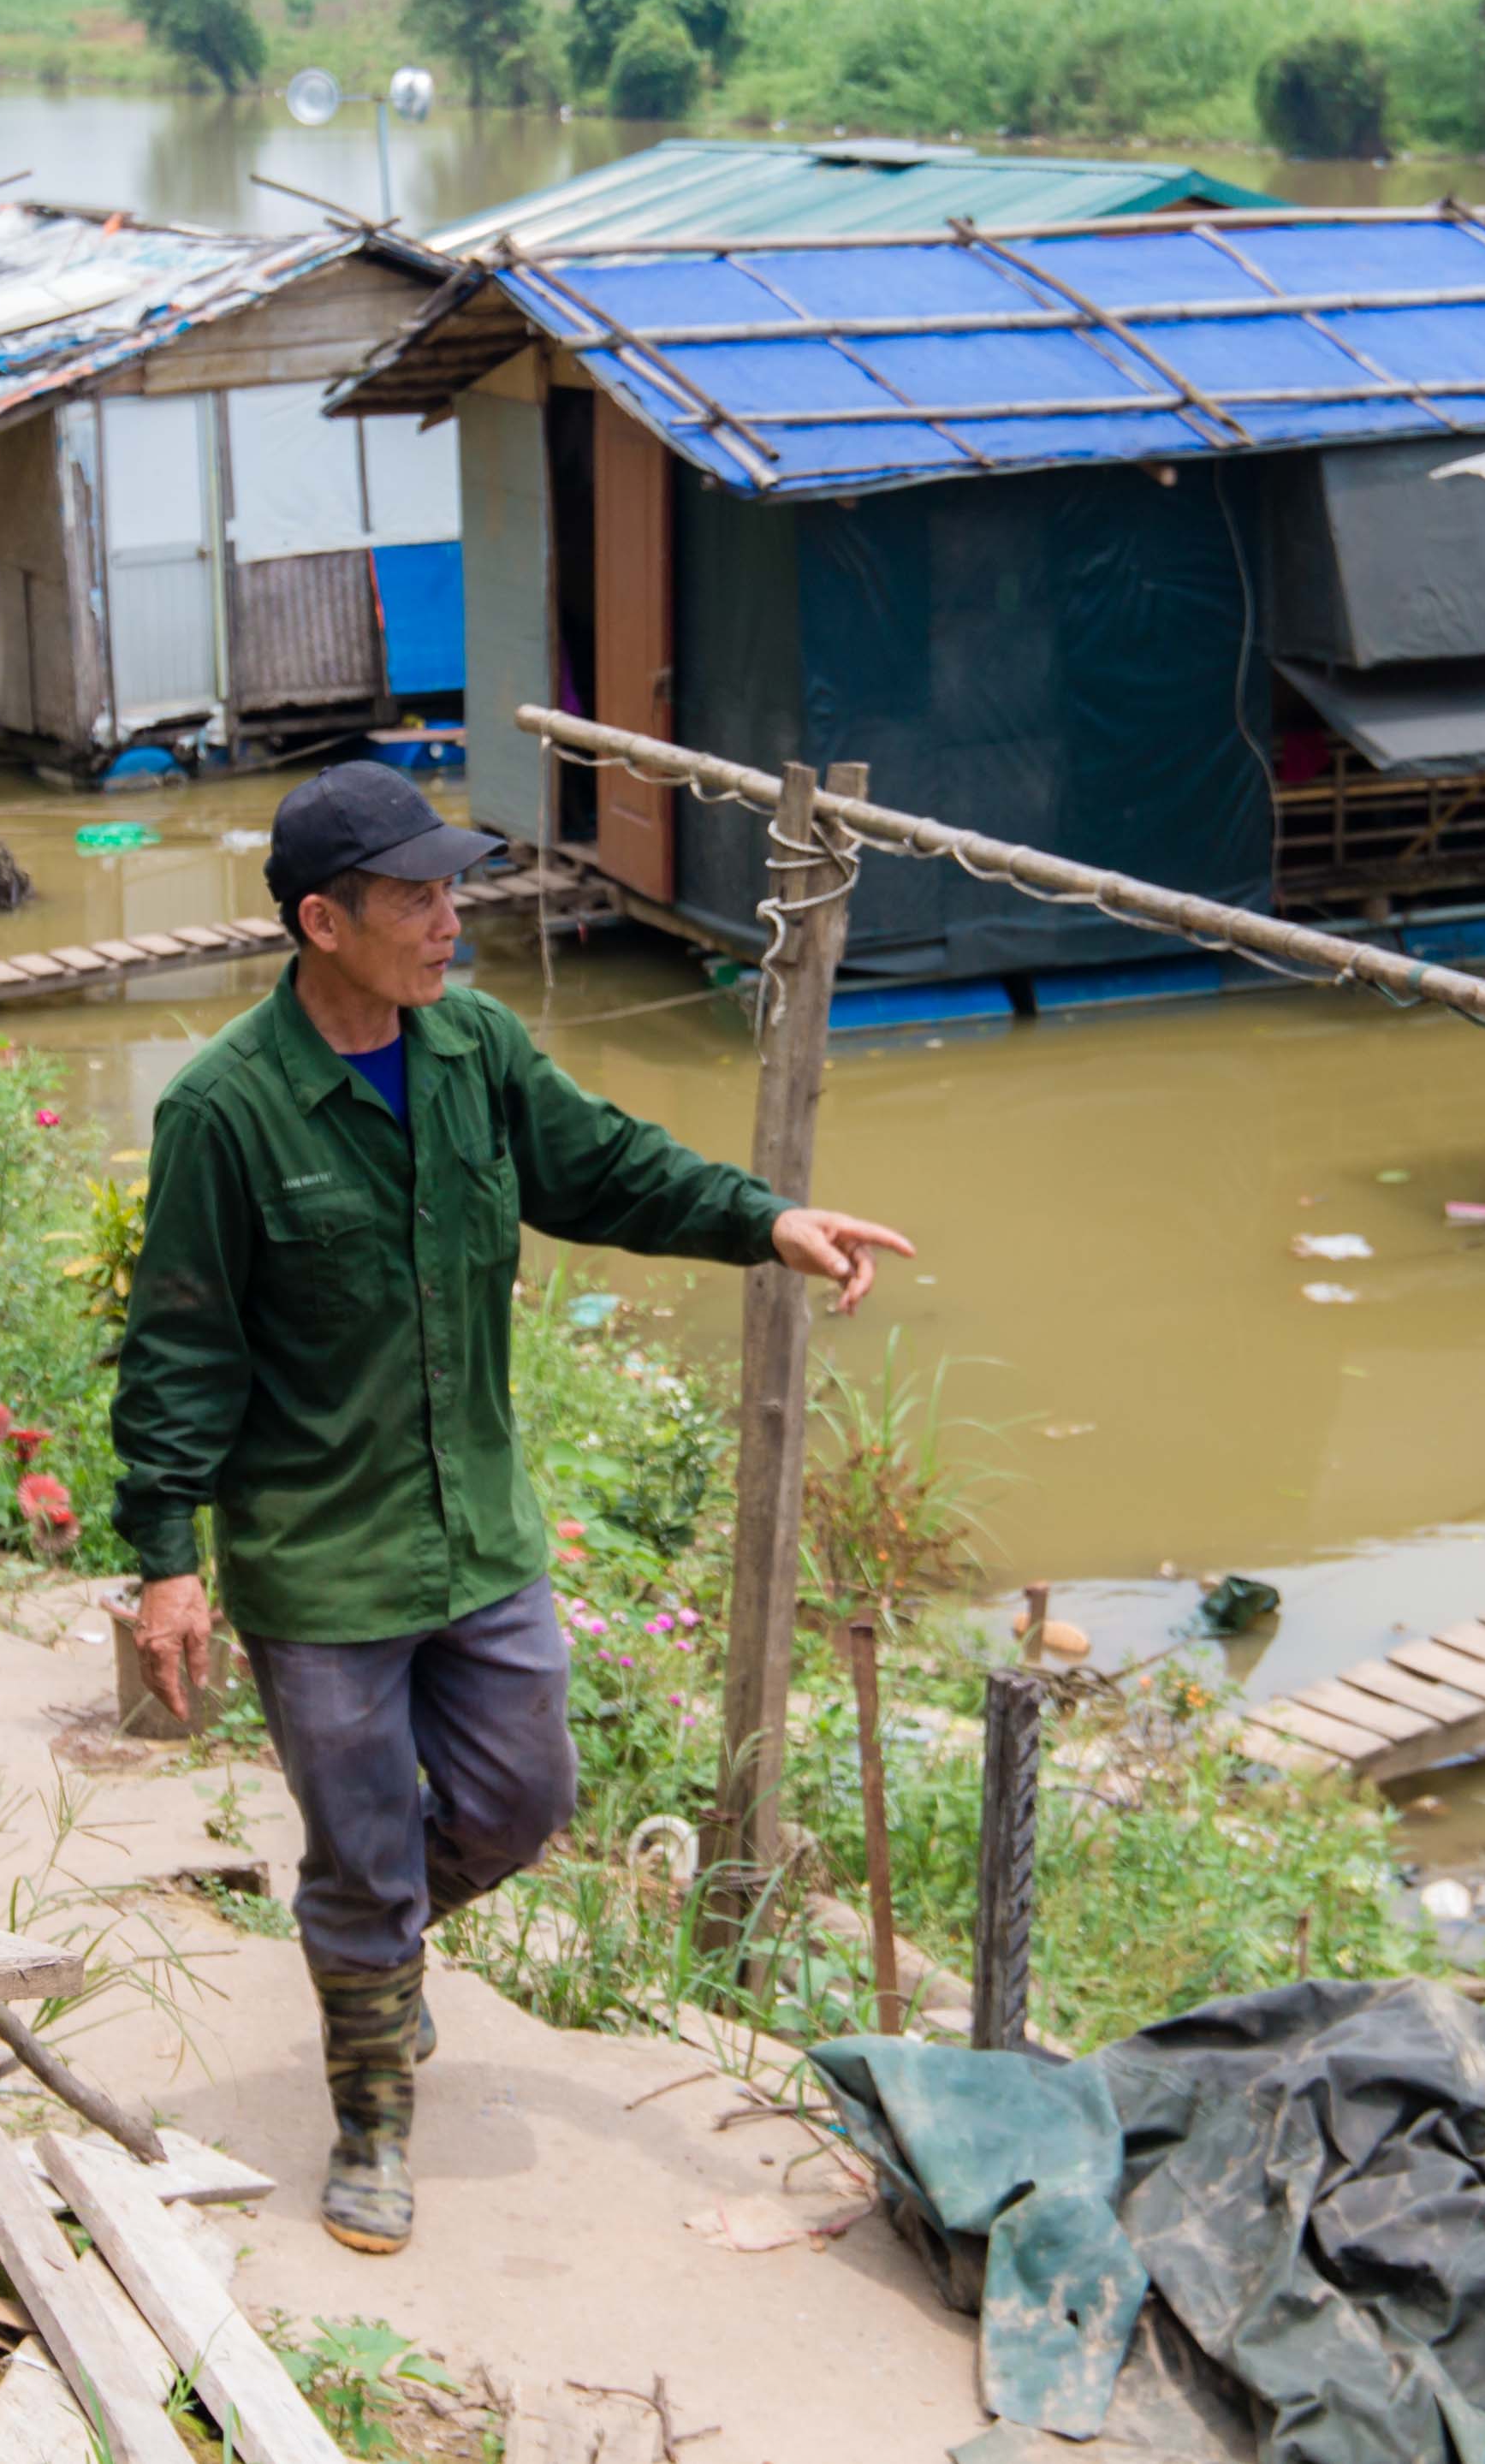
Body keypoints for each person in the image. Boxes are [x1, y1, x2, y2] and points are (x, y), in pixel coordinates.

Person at [110, 763, 911, 2255]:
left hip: (476, 1535)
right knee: (358, 1853)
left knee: (522, 1801)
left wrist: (768, 1219)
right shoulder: (226, 1111)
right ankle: (370, 2117)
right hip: (319, 1560)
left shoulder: (473, 1050)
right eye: (418, 897)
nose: (449, 919)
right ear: (322, 921)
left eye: (451, 889)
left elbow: (603, 1168)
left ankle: (370, 1956)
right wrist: (167, 1563)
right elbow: (180, 1350)